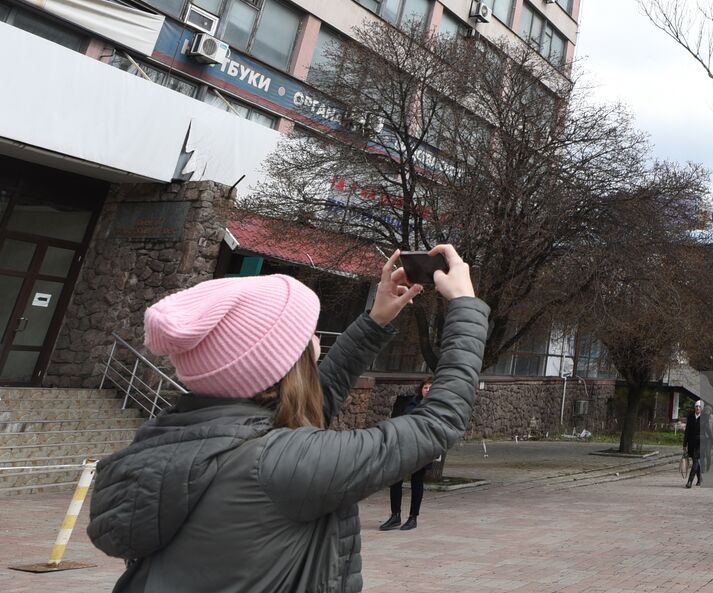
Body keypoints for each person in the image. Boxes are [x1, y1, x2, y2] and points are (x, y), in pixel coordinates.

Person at [86, 245, 488, 593]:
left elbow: (303, 410)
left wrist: (375, 320)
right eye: (306, 335)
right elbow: (437, 422)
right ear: (279, 365)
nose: (316, 340)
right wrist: (464, 307)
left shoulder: (184, 438)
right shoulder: (275, 466)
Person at [380, 378, 435, 531]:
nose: (428, 390)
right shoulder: (411, 403)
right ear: (421, 389)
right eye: (425, 387)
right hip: (405, 446)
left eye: (431, 387)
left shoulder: (437, 406)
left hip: (423, 448)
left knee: (417, 482)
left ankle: (413, 517)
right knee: (395, 480)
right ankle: (395, 515)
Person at [684, 400, 706, 487]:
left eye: (699, 407)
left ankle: (690, 481)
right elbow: (687, 431)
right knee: (695, 461)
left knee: (695, 461)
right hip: (691, 443)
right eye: (696, 406)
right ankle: (700, 478)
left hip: (701, 443)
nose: (697, 408)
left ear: (702, 408)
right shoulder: (690, 417)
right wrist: (684, 444)